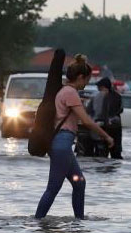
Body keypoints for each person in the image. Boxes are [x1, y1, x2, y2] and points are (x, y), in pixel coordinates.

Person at [36, 55, 114, 220]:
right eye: (86, 80)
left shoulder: (64, 91)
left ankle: (79, 222)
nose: (86, 83)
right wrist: (107, 137)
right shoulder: (71, 93)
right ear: (80, 77)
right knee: (53, 187)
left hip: (61, 144)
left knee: (79, 183)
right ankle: (37, 222)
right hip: (62, 145)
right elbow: (86, 121)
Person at [86, 78, 123, 159]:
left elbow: (89, 112)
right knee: (115, 154)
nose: (98, 89)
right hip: (113, 127)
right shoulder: (117, 96)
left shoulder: (98, 97)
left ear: (103, 87)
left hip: (105, 128)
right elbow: (119, 110)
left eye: (99, 87)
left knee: (102, 155)